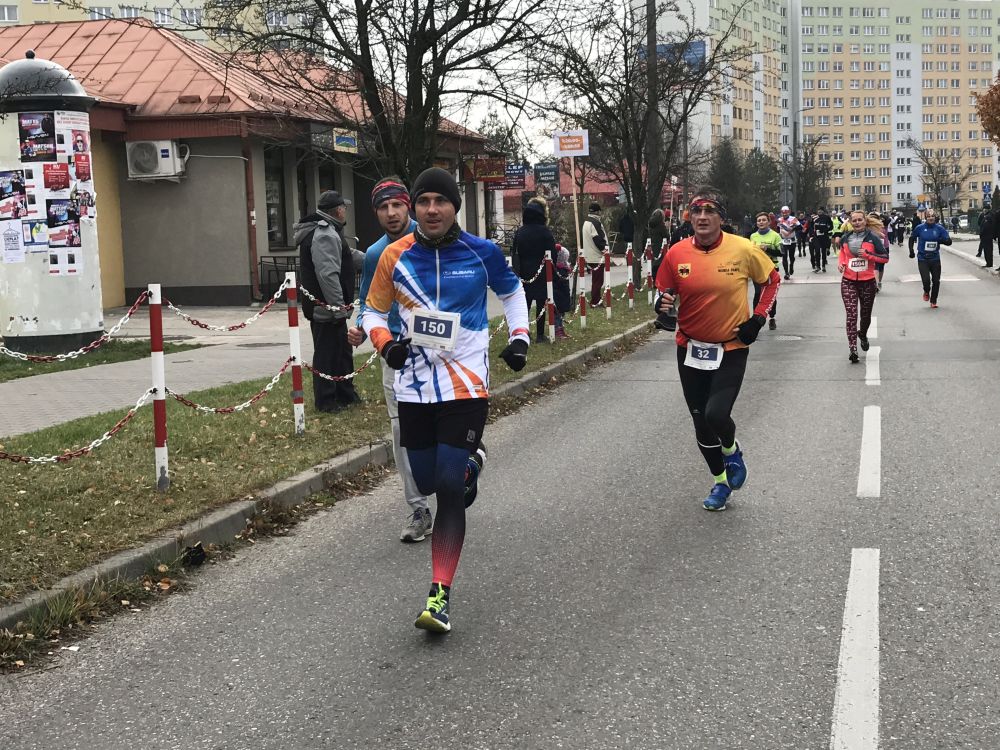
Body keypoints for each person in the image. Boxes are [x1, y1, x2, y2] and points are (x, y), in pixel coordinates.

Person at [361, 167, 530, 633]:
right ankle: (474, 460)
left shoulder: (481, 252)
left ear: (456, 206)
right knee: (426, 480)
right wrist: (385, 344)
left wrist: (519, 337)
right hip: (413, 384)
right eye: (424, 201)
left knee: (449, 487)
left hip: (465, 384)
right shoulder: (394, 255)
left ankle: (439, 597)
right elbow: (372, 310)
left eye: (441, 201)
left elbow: (513, 292)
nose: (432, 209)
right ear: (414, 207)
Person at [654, 190, 780, 512]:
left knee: (716, 414)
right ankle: (721, 482)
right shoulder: (677, 253)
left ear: (721, 217)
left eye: (710, 211)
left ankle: (731, 450)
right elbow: (664, 291)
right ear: (690, 217)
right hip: (690, 347)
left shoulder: (743, 249)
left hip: (731, 346)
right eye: (696, 211)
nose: (702, 217)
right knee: (700, 422)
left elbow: (771, 281)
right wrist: (661, 305)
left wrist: (758, 318)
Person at [348, 177, 435, 543]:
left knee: (442, 422)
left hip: (437, 347)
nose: (391, 213)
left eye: (397, 205)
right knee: (402, 429)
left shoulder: (432, 236)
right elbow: (369, 299)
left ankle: (457, 472)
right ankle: (418, 509)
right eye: (383, 208)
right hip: (395, 350)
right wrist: (359, 327)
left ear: (408, 206)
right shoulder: (375, 253)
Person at [294, 190, 364, 412]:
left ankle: (345, 394)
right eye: (344, 208)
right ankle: (326, 401)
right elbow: (328, 275)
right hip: (326, 310)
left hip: (329, 309)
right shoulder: (324, 234)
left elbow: (346, 254)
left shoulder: (329, 230)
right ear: (338, 210)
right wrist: (338, 307)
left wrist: (375, 258)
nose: (346, 211)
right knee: (327, 354)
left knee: (341, 351)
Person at [837, 210, 889, 363]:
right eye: (854, 220)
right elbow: (842, 254)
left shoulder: (873, 238)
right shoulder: (845, 237)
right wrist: (841, 263)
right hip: (849, 281)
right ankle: (852, 349)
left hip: (867, 282)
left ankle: (863, 334)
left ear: (865, 221)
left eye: (860, 220)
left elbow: (885, 258)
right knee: (851, 315)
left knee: (865, 316)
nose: (857, 222)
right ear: (850, 222)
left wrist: (868, 255)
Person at [511, 197, 556, 342]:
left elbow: (514, 251)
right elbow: (552, 254)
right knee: (541, 304)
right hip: (542, 273)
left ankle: (524, 332)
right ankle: (540, 335)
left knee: (525, 304)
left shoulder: (520, 232)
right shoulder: (545, 232)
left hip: (524, 272)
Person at [910, 209, 952, 309]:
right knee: (926, 280)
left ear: (935, 217)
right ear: (925, 218)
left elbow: (949, 242)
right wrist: (911, 251)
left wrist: (941, 240)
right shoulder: (920, 228)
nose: (931, 218)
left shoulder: (939, 228)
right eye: (928, 216)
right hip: (923, 258)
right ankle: (926, 291)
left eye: (932, 216)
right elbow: (912, 238)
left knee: (936, 281)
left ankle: (933, 300)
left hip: (935, 258)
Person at [749, 211, 782, 330]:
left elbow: (781, 252)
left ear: (768, 222)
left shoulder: (775, 236)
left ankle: (772, 317)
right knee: (758, 293)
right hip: (757, 269)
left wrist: (768, 249)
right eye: (759, 220)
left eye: (763, 220)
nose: (761, 222)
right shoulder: (753, 236)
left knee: (770, 295)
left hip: (771, 269)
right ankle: (754, 321)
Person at [581, 202, 608, 306]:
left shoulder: (586, 222)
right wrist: (605, 250)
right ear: (598, 211)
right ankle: (595, 302)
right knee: (598, 281)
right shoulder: (595, 223)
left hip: (589, 255)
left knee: (595, 280)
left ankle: (596, 299)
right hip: (597, 256)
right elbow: (598, 239)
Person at [777, 205, 799, 280]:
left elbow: (799, 227)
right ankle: (786, 273)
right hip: (783, 240)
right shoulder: (779, 219)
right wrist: (780, 233)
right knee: (784, 256)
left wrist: (792, 229)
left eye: (786, 212)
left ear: (789, 212)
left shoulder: (793, 219)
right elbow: (778, 229)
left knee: (791, 257)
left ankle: (791, 265)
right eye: (783, 212)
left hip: (792, 240)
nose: (784, 214)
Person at [811, 207, 833, 273]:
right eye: (818, 210)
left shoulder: (827, 218)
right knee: (817, 251)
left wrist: (825, 230)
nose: (819, 211)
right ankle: (818, 266)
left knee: (823, 252)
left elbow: (831, 226)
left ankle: (823, 266)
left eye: (821, 210)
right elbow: (811, 226)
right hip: (816, 237)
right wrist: (812, 234)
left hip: (824, 237)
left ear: (823, 211)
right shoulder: (814, 218)